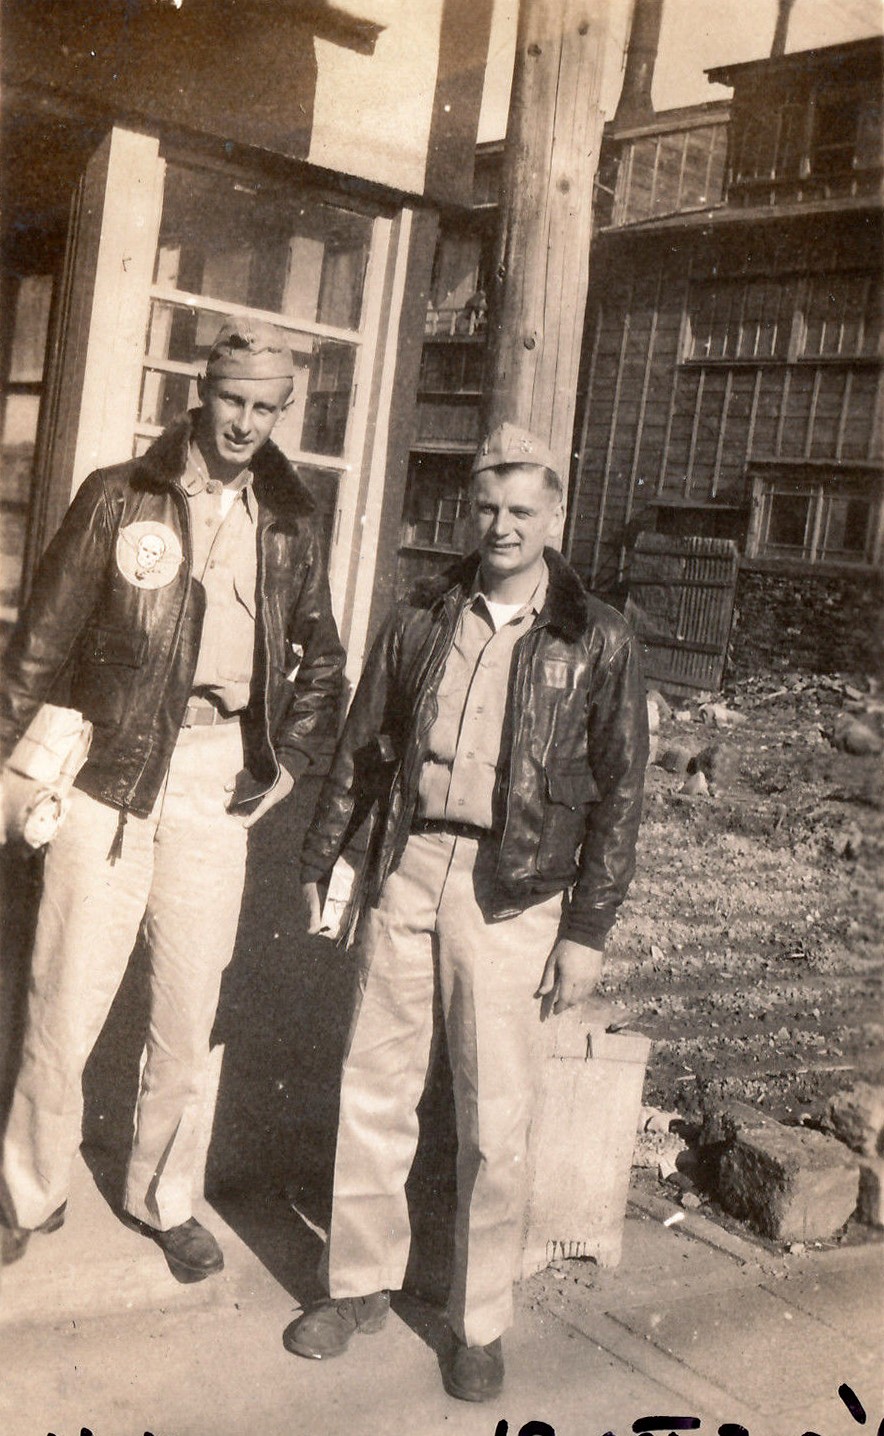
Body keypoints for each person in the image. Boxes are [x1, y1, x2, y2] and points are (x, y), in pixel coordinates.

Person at [288, 421, 648, 1401]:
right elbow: (367, 746)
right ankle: (356, 1285)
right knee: (376, 1079)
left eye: (521, 509)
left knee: (495, 1116)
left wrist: (584, 932)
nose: (499, 524)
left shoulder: (597, 635)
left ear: (554, 516)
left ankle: (477, 1317)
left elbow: (620, 795)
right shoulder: (421, 608)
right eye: (486, 505)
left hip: (515, 889)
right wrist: (335, 860)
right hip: (409, 861)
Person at [0, 316, 345, 1280]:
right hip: (107, 776)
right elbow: (38, 643)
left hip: (211, 777)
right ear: (203, 393)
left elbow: (322, 659)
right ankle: (29, 1191)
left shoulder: (290, 520)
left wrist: (286, 758)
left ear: (283, 412)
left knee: (189, 1011)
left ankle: (162, 1198)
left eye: (264, 408)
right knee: (63, 1000)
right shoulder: (121, 497)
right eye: (231, 400)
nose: (244, 422)